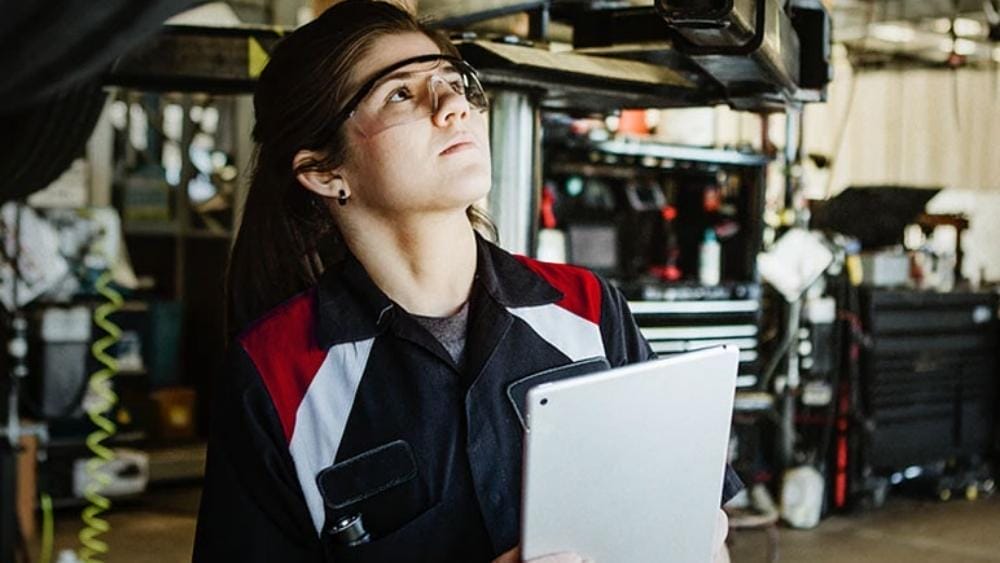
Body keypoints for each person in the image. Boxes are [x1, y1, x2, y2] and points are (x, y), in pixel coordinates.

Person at [192, 1, 742, 561]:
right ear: (324, 172)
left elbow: (699, 532)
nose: (453, 104)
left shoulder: (589, 310)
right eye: (400, 93)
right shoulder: (273, 376)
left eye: (454, 82)